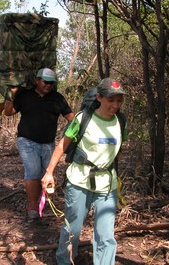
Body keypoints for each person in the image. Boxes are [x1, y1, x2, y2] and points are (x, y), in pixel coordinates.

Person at [41, 77, 127, 264]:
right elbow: (62, 145)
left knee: (105, 234)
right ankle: (65, 260)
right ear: (99, 97)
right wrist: (49, 172)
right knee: (73, 229)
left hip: (107, 184)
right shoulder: (83, 118)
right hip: (79, 181)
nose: (115, 104)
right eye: (111, 100)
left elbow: (117, 150)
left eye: (119, 100)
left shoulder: (120, 121)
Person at [4, 68, 74, 219]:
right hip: (27, 141)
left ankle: (42, 204)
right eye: (45, 82)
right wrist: (11, 94)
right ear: (37, 81)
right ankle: (32, 207)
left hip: (48, 143)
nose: (48, 85)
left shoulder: (57, 98)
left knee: (45, 174)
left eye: (51, 83)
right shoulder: (25, 96)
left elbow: (72, 118)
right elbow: (8, 112)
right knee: (33, 172)